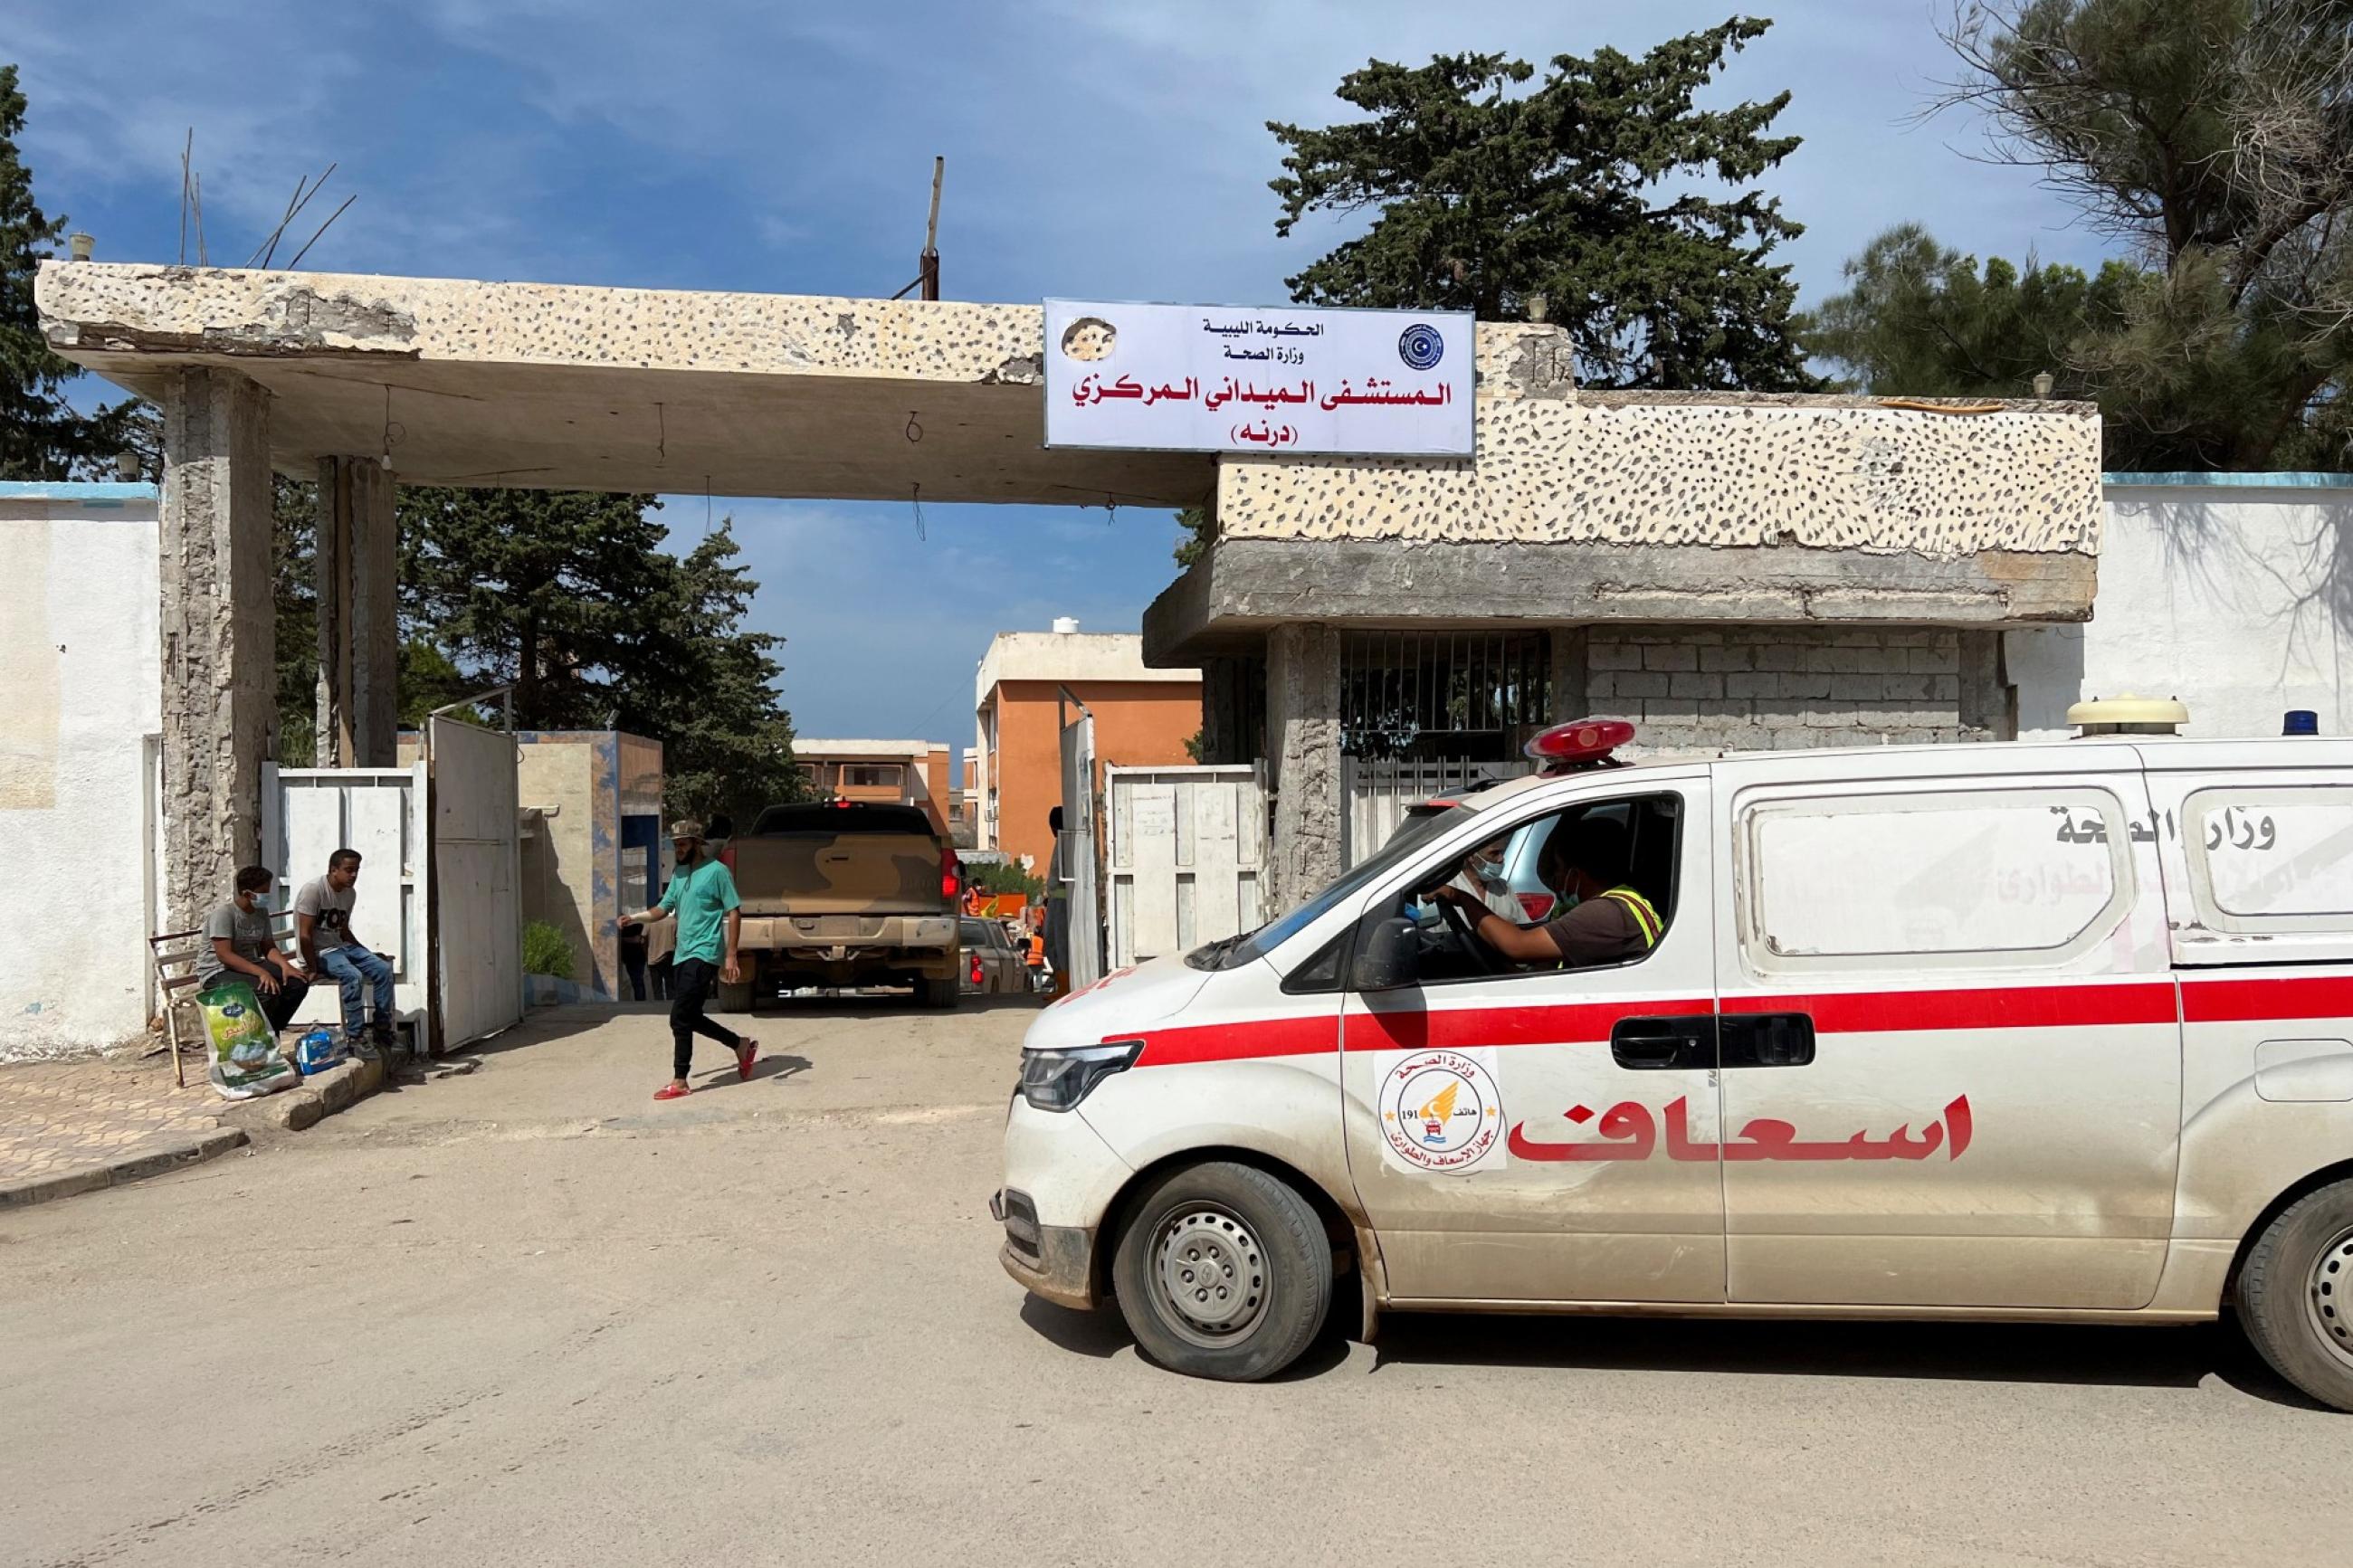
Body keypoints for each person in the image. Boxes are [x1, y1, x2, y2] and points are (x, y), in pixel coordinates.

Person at [620, 821, 756, 1101]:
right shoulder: (680, 873)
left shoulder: (717, 872)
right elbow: (662, 910)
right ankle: (740, 1044)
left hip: (705, 952)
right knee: (690, 1016)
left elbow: (734, 911)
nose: (678, 848)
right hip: (681, 952)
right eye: (675, 844)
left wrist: (731, 955)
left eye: (682, 843)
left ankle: (680, 1080)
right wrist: (634, 917)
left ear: (697, 843)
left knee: (679, 1017)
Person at [1432, 816, 1661, 968]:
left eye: (1560, 870)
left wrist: (1460, 898)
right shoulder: (1618, 902)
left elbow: (1517, 946)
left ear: (1576, 875)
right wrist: (1569, 816)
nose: (1555, 879)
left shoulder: (1605, 914)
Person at [296, 849, 398, 1057]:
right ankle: (355, 1036)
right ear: (333, 870)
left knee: (382, 968)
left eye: (356, 870)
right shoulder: (313, 890)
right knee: (353, 976)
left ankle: (382, 1028)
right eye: (348, 870)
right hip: (320, 952)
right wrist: (312, 967)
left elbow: (343, 930)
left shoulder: (349, 893)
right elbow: (304, 935)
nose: (353, 875)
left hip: (341, 948)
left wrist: (366, 953)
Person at [198, 866, 312, 1033]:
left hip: (248, 965)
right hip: (217, 971)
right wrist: (261, 972)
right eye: (263, 891)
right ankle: (254, 1037)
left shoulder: (261, 912)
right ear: (247, 893)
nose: (267, 895)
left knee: (298, 983)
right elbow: (224, 955)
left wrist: (285, 966)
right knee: (267, 991)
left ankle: (272, 1032)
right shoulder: (224, 914)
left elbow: (268, 947)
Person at [1043, 806, 1070, 999]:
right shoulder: (1062, 842)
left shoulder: (1064, 843)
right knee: (1053, 943)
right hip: (1055, 899)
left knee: (1058, 944)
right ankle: (1062, 985)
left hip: (1061, 902)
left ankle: (1065, 988)